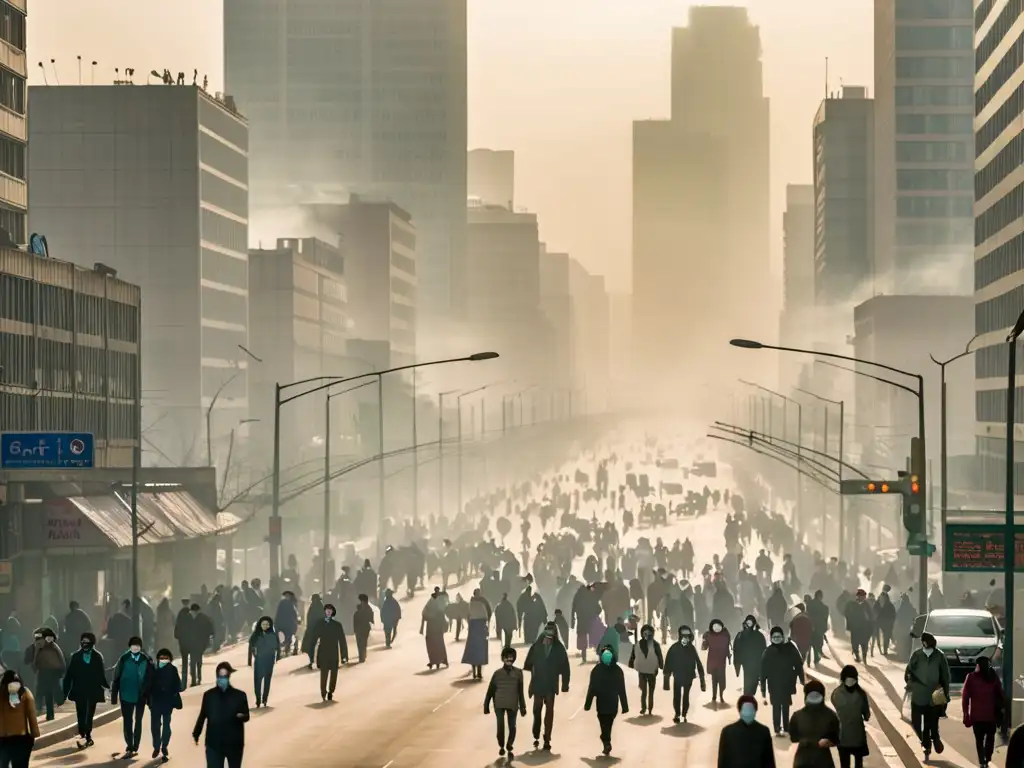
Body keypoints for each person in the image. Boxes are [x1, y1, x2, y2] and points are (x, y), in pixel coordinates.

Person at [523, 621, 570, 751]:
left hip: (550, 684)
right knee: (537, 709)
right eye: (547, 630)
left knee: (549, 711)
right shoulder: (537, 645)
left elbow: (565, 667)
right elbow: (528, 663)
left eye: (552, 630)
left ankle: (547, 738)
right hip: (538, 682)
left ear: (555, 632)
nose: (549, 633)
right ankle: (536, 728)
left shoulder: (558, 648)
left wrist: (565, 684)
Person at [193, 662, 249, 768]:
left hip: (234, 743)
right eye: (220, 676)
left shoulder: (239, 696)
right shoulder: (209, 696)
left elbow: (246, 715)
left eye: (225, 676)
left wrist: (241, 716)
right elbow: (203, 714)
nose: (222, 679)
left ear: (229, 676)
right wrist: (196, 732)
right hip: (214, 742)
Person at [904, 630, 950, 761]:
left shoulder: (938, 656)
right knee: (919, 723)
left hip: (932, 696)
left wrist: (945, 694)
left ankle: (930, 741)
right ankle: (928, 740)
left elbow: (945, 676)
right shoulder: (917, 655)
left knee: (930, 722)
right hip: (922, 695)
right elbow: (909, 672)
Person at [62, 631, 108, 749]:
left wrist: (107, 686)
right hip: (79, 689)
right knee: (81, 712)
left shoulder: (97, 657)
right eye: (83, 642)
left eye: (87, 642)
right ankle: (82, 732)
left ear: (92, 643)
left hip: (93, 689)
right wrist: (64, 693)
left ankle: (88, 734)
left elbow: (101, 674)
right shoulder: (76, 657)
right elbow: (69, 675)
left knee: (90, 713)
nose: (84, 644)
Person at [110, 635, 153, 759]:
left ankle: (135, 745)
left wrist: (150, 697)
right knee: (128, 721)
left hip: (141, 695)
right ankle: (129, 745)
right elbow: (116, 677)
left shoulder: (146, 660)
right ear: (129, 647)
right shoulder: (123, 659)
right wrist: (114, 695)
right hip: (126, 694)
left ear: (141, 647)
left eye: (137, 645)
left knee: (138, 721)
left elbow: (151, 679)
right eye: (133, 645)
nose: (135, 647)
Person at [584, 644, 628, 756]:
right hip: (608, 703)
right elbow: (592, 688)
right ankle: (606, 739)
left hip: (606, 703)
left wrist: (625, 705)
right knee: (607, 723)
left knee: (605, 723)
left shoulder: (602, 670)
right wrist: (588, 704)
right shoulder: (611, 670)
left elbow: (621, 689)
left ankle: (606, 740)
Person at [760, 625, 805, 736]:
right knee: (776, 705)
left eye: (778, 636)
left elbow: (798, 664)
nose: (776, 638)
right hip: (773, 684)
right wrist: (763, 689)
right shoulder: (768, 651)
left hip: (787, 683)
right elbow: (763, 671)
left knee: (785, 705)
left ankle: (786, 726)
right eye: (774, 637)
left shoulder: (790, 648)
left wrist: (802, 679)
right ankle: (776, 727)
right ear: (771, 638)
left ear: (782, 637)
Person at [483, 647, 527, 761]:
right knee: (500, 726)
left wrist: (523, 706)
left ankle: (509, 744)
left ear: (514, 659)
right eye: (507, 657)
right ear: (503, 659)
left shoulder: (518, 673)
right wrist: (486, 705)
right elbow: (490, 690)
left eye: (511, 657)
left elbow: (520, 691)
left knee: (512, 726)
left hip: (513, 704)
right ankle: (501, 744)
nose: (509, 659)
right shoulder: (497, 674)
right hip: (499, 703)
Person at [962, 654, 1003, 768]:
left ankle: (982, 761)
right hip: (991, 716)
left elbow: (965, 697)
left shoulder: (971, 677)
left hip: (977, 716)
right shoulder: (993, 677)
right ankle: (987, 757)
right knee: (990, 739)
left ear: (978, 665)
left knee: (979, 740)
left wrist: (966, 713)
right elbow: (1000, 694)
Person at [788, 679, 840, 768]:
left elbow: (793, 738)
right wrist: (828, 742)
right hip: (824, 761)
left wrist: (805, 740)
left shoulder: (797, 715)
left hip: (802, 760)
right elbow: (837, 738)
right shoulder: (831, 715)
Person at [716, 694, 776, 768]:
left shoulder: (727, 731)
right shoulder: (763, 731)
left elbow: (722, 762)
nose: (748, 713)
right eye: (746, 710)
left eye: (750, 710)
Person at [305, 603, 348, 701]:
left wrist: (344, 655)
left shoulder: (337, 625)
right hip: (323, 651)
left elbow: (342, 641)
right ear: (324, 612)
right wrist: (311, 657)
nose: (328, 612)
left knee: (334, 674)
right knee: (323, 673)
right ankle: (323, 691)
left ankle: (331, 691)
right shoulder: (319, 624)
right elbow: (313, 639)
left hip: (333, 651)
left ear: (332, 612)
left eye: (330, 610)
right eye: (327, 610)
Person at [663, 625, 705, 724]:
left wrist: (702, 679)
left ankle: (684, 714)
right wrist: (666, 679)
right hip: (677, 675)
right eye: (683, 636)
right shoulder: (674, 648)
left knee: (686, 695)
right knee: (677, 696)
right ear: (680, 636)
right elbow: (668, 662)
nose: (685, 638)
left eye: (687, 636)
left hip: (688, 676)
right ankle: (677, 713)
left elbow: (698, 663)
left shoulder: (691, 649)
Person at [830, 665, 870, 768]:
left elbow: (836, 706)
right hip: (858, 736)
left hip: (842, 736)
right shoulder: (861, 694)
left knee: (844, 765)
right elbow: (867, 716)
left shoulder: (836, 693)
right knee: (858, 764)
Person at [148, 648, 183, 762]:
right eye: (161, 658)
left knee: (166, 726)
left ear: (170, 659)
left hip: (167, 702)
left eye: (166, 658)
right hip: (155, 702)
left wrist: (170, 691)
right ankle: (156, 746)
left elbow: (178, 686)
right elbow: (148, 686)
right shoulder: (153, 670)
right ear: (158, 659)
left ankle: (164, 746)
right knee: (155, 726)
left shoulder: (173, 670)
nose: (163, 660)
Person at [0, 670, 39, 768]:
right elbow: (31, 715)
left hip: (3, 739)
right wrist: (34, 733)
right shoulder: (25, 693)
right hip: (21, 738)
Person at [25, 627, 64, 721]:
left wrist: (34, 666)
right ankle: (48, 712)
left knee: (42, 691)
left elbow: (33, 659)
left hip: (45, 671)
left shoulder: (38, 646)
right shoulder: (53, 646)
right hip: (50, 671)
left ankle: (40, 710)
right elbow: (61, 659)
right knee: (47, 692)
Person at [628, 623, 664, 715]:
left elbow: (659, 656)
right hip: (643, 671)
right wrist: (631, 663)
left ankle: (649, 709)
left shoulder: (655, 644)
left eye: (648, 634)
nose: (647, 635)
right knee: (644, 690)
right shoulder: (638, 644)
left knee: (649, 691)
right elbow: (633, 655)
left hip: (651, 671)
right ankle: (644, 707)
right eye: (645, 633)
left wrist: (661, 665)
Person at [176, 603, 213, 689]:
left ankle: (196, 678)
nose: (193, 613)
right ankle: (195, 679)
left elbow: (210, 630)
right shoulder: (190, 619)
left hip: (197, 643)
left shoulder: (199, 619)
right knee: (194, 661)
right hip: (195, 643)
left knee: (196, 661)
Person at [247, 616, 279, 708]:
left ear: (270, 625)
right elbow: (251, 647)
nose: (265, 626)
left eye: (267, 624)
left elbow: (277, 648)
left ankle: (265, 699)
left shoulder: (273, 635)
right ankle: (258, 699)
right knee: (257, 681)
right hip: (259, 661)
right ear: (260, 625)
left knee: (267, 681)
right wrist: (251, 659)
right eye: (263, 624)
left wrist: (277, 658)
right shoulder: (256, 635)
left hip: (269, 661)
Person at [734, 614, 767, 697]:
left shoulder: (759, 635)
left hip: (757, 661)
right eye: (747, 622)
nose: (749, 624)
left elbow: (763, 648)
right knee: (747, 679)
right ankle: (747, 696)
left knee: (755, 679)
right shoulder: (741, 635)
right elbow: (736, 648)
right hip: (746, 662)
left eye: (750, 622)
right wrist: (737, 661)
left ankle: (750, 694)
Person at [702, 618, 731, 704]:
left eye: (719, 626)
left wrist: (729, 656)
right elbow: (704, 647)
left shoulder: (725, 636)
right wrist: (704, 640)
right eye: (715, 626)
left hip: (722, 661)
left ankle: (721, 695)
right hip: (712, 661)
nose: (717, 628)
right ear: (712, 627)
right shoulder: (709, 636)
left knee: (722, 680)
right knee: (714, 680)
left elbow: (727, 648)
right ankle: (714, 696)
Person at [352, 594, 374, 663]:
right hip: (364, 628)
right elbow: (371, 619)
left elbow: (355, 621)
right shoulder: (368, 608)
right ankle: (362, 655)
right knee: (363, 642)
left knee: (361, 642)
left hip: (361, 628)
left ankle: (362, 656)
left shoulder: (360, 611)